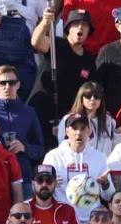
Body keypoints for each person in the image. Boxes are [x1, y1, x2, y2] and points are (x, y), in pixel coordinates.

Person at [28, 7, 97, 139]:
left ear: (89, 31)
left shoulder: (89, 61)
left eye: (84, 25)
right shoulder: (56, 45)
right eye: (76, 24)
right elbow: (36, 42)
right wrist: (45, 22)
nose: (80, 28)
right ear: (68, 29)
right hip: (40, 111)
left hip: (66, 121)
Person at [0, 63, 44, 191]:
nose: (7, 87)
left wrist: (24, 147)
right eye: (2, 83)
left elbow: (40, 149)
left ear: (18, 84)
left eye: (11, 82)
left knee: (23, 211)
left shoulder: (29, 112)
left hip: (23, 177)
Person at [41, 113, 110, 224]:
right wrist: (50, 185)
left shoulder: (100, 157)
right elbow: (43, 193)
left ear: (89, 131)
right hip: (62, 221)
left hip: (92, 223)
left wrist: (105, 184)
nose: (79, 133)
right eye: (74, 128)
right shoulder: (53, 156)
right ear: (67, 132)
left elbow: (108, 196)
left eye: (83, 128)